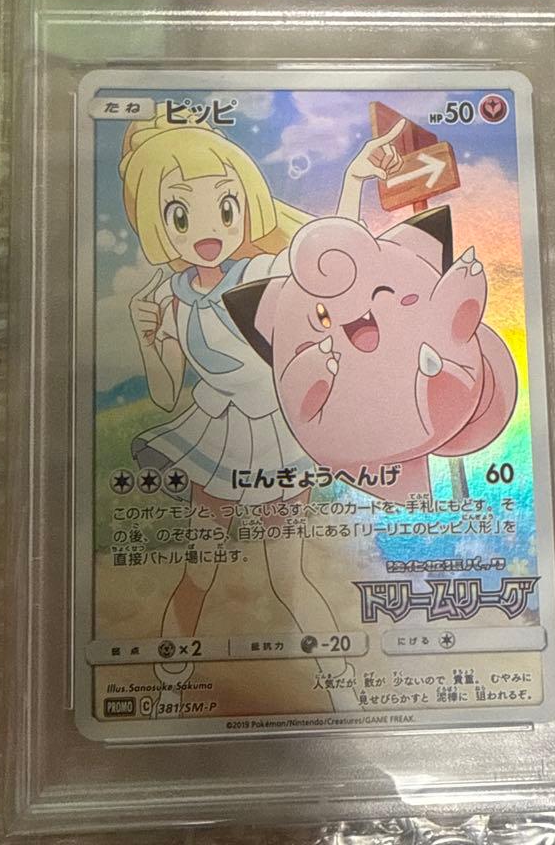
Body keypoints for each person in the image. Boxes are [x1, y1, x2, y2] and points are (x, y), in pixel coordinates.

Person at [118, 104, 403, 714]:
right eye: (179, 214)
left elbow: (333, 266)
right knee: (199, 569)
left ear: (245, 203)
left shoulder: (263, 273)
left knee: (288, 575)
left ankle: (341, 688)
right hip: (217, 439)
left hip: (277, 441)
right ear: (156, 223)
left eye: (225, 207)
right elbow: (166, 394)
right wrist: (149, 340)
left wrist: (353, 181)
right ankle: (166, 689)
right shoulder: (168, 297)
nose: (206, 229)